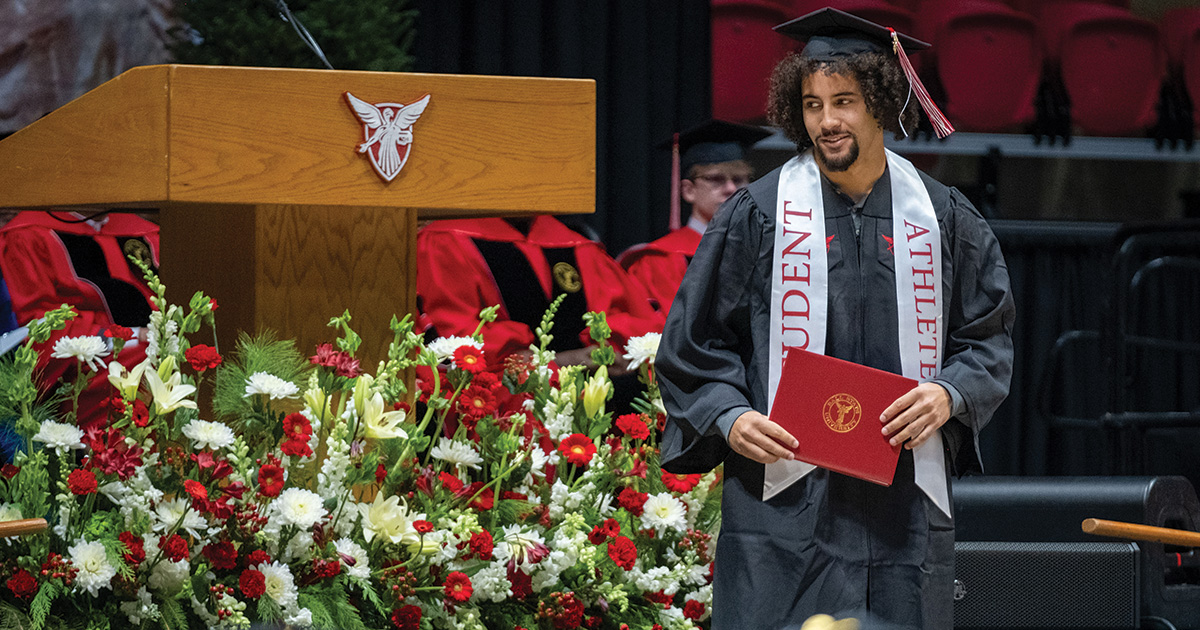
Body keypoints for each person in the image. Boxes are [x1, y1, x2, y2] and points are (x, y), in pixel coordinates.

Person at [655, 8, 1015, 629]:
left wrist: (949, 394)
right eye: (812, 104)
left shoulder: (943, 218)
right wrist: (729, 415)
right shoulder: (757, 215)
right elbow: (693, 344)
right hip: (785, 503)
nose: (826, 121)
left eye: (843, 101)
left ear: (880, 101)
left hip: (901, 506)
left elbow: (987, 338)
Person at [416, 215, 663, 373]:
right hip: (503, 415)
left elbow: (634, 326)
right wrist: (561, 361)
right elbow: (452, 344)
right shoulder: (446, 241)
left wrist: (609, 352)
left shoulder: (576, 246)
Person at [0, 209, 159, 431]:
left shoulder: (145, 231)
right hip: (84, 366)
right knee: (150, 361)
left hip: (148, 342)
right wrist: (131, 336)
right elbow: (35, 328)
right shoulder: (29, 234)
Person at [618, 120, 770, 314]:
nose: (731, 188)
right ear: (688, 190)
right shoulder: (656, 262)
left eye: (739, 180)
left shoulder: (766, 253)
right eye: (716, 179)